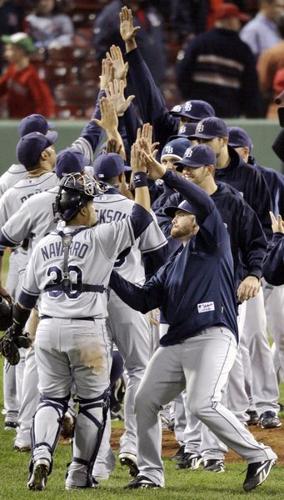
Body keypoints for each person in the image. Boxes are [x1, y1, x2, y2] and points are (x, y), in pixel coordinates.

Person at [108, 150, 277, 491]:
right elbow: (143, 300)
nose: (173, 218)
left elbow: (206, 203)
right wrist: (107, 272)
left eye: (180, 214)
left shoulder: (214, 242)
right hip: (176, 343)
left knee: (202, 403)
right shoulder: (172, 262)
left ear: (197, 219)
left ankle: (259, 454)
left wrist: (167, 176)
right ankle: (150, 474)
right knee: (144, 401)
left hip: (214, 335)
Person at [5, 151, 153, 490]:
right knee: (91, 405)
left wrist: (14, 332)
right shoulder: (101, 237)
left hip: (49, 330)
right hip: (88, 331)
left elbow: (25, 300)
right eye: (92, 203)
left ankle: (42, 453)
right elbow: (142, 218)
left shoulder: (43, 245)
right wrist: (142, 178)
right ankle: (79, 473)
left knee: (51, 399)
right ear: (83, 207)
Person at [92, 143, 167, 479]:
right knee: (139, 372)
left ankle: (97, 458)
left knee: (95, 380)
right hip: (130, 299)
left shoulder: (83, 208)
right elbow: (159, 257)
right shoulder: (133, 208)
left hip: (90, 300)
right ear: (121, 175)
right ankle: (132, 445)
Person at [176, 3, 262, 118]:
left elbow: (182, 74)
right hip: (228, 114)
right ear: (232, 21)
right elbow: (250, 88)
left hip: (198, 110)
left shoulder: (199, 42)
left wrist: (189, 98)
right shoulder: (243, 50)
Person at [93, 0, 166, 85]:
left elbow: (159, 41)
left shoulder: (150, 11)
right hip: (127, 83)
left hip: (155, 80)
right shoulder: (111, 14)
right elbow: (101, 50)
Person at [0, 32, 55, 118]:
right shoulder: (11, 70)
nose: (6, 54)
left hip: (28, 125)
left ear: (21, 51)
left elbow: (44, 104)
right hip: (14, 120)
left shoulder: (31, 75)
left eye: (10, 50)